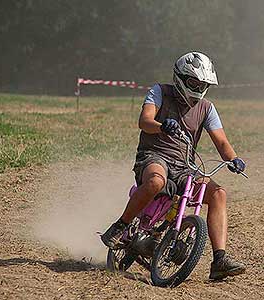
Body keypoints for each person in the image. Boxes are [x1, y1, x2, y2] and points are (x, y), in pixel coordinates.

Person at [101, 51, 246, 280]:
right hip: (153, 156)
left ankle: (219, 260)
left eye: (203, 84)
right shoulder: (159, 92)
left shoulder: (207, 108)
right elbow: (144, 121)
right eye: (193, 83)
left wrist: (233, 159)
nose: (198, 89)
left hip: (185, 165)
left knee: (218, 194)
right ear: (179, 77)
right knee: (156, 181)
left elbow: (221, 141)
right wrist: (161, 125)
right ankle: (121, 225)